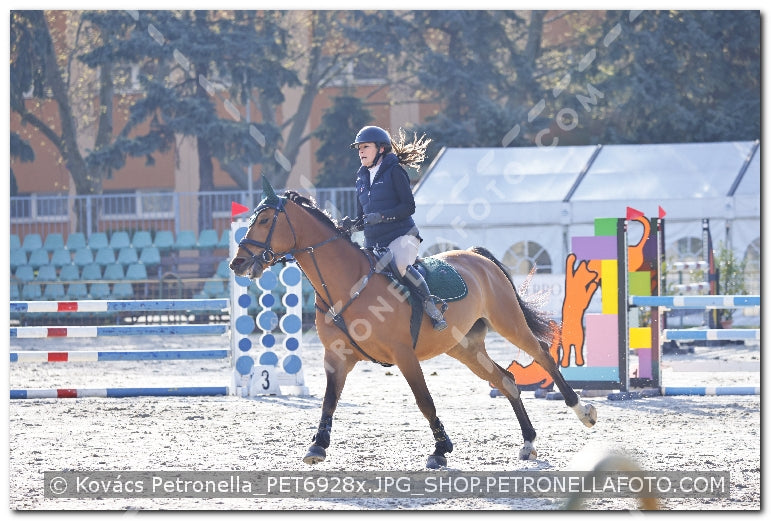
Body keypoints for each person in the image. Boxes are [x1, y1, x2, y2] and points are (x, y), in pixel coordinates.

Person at [348, 125, 447, 331]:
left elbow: (408, 207)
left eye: (365, 147)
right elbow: (362, 217)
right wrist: (350, 225)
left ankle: (431, 306)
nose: (361, 152)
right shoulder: (361, 178)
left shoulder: (395, 171)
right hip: (374, 242)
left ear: (381, 149)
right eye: (359, 148)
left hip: (402, 236)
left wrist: (383, 216)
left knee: (400, 265)